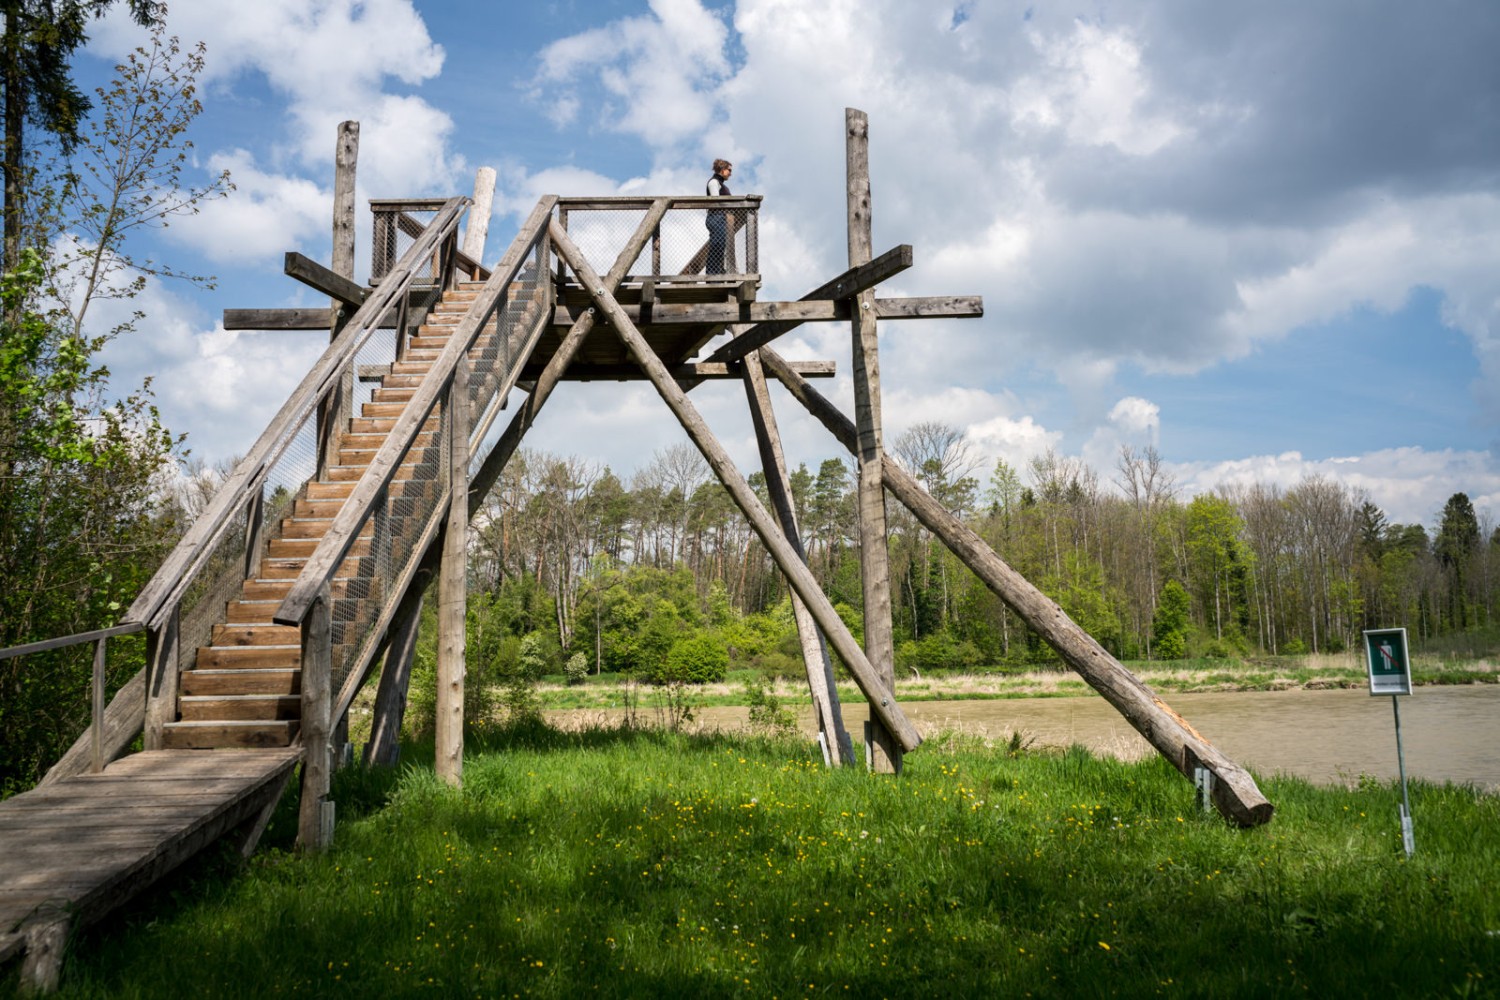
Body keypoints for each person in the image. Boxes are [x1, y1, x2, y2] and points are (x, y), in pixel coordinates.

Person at [704, 158, 732, 274]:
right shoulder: (713, 182)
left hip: (721, 218)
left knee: (721, 246)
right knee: (717, 245)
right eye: (729, 170)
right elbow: (716, 201)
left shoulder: (720, 184)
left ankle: (718, 271)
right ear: (722, 169)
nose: (730, 173)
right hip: (716, 217)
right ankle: (711, 274)